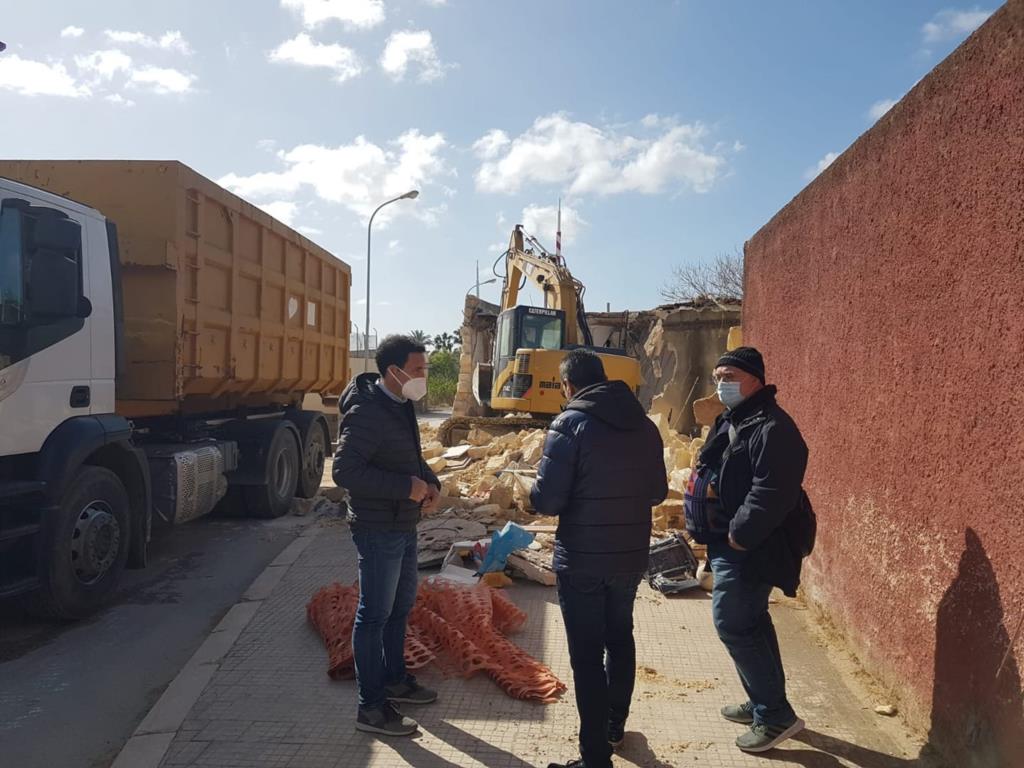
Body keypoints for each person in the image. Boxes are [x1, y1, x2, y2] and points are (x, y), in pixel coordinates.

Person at [530, 349, 668, 768]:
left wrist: (534, 491)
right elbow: (658, 493)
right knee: (619, 639)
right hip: (628, 557)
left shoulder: (568, 425)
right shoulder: (644, 426)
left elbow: (548, 500)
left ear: (569, 386)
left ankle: (594, 758)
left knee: (587, 656)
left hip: (583, 562)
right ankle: (614, 726)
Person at [686, 346, 808, 753]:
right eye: (719, 375)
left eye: (731, 376)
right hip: (729, 541)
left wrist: (737, 535)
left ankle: (774, 717)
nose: (722, 383)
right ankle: (764, 702)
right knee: (750, 622)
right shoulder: (736, 417)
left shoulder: (775, 428)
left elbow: (772, 493)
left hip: (751, 545)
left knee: (733, 624)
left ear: (755, 379)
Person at [333, 335, 441, 736]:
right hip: (377, 528)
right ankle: (371, 708)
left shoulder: (400, 406)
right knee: (374, 615)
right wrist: (404, 488)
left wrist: (431, 483)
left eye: (424, 369)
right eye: (418, 370)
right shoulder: (366, 412)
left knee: (399, 608)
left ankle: (396, 681)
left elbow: (411, 459)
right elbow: (345, 472)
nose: (423, 377)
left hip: (403, 523)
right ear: (393, 372)